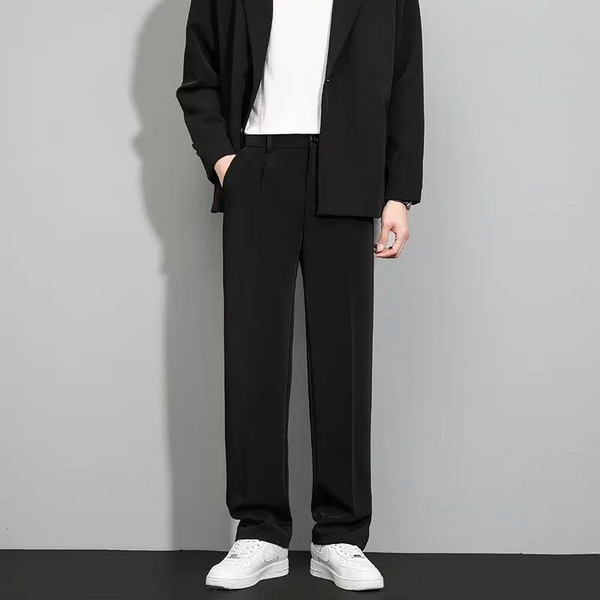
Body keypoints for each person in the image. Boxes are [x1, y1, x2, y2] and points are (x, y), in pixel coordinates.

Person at [176, 0, 424, 591]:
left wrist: (398, 192)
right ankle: (259, 532)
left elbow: (405, 79)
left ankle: (340, 535)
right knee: (254, 353)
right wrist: (225, 162)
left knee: (343, 355)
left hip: (349, 169)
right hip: (259, 165)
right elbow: (198, 77)